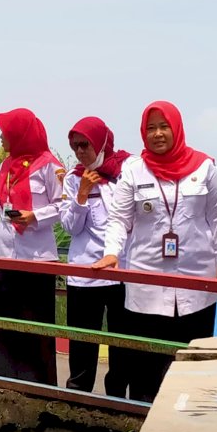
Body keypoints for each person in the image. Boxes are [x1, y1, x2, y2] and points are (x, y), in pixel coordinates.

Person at [92, 101, 217, 403]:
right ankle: (144, 419)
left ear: (177, 128)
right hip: (147, 283)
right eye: (151, 128)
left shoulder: (204, 168)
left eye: (164, 126)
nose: (157, 134)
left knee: (192, 362)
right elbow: (118, 219)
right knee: (146, 366)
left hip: (196, 284)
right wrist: (112, 252)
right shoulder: (133, 172)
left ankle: (191, 420)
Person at [0, 108, 63, 385]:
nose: (1, 138)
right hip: (2, 252)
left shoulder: (50, 166)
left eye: (5, 133)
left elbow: (63, 206)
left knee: (33, 322)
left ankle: (36, 381)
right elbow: (0, 208)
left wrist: (35, 216)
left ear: (20, 134)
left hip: (36, 257)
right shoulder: (6, 165)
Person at [58, 117, 131, 396]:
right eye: (75, 146)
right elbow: (70, 227)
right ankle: (77, 396)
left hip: (120, 271)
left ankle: (116, 397)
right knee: (81, 339)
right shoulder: (73, 179)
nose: (79, 152)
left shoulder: (125, 173)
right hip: (85, 272)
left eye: (85, 145)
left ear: (100, 143)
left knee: (121, 339)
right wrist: (82, 195)